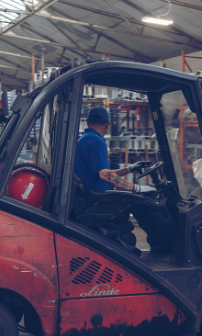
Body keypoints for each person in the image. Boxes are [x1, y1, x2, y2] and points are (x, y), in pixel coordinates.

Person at [74, 106, 174, 253]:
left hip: (99, 196)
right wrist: (137, 188)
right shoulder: (96, 141)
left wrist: (129, 169)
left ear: (88, 122)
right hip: (99, 200)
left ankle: (159, 246)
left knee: (142, 200)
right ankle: (162, 247)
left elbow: (102, 172)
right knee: (148, 203)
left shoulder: (84, 139)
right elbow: (104, 175)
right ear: (108, 124)